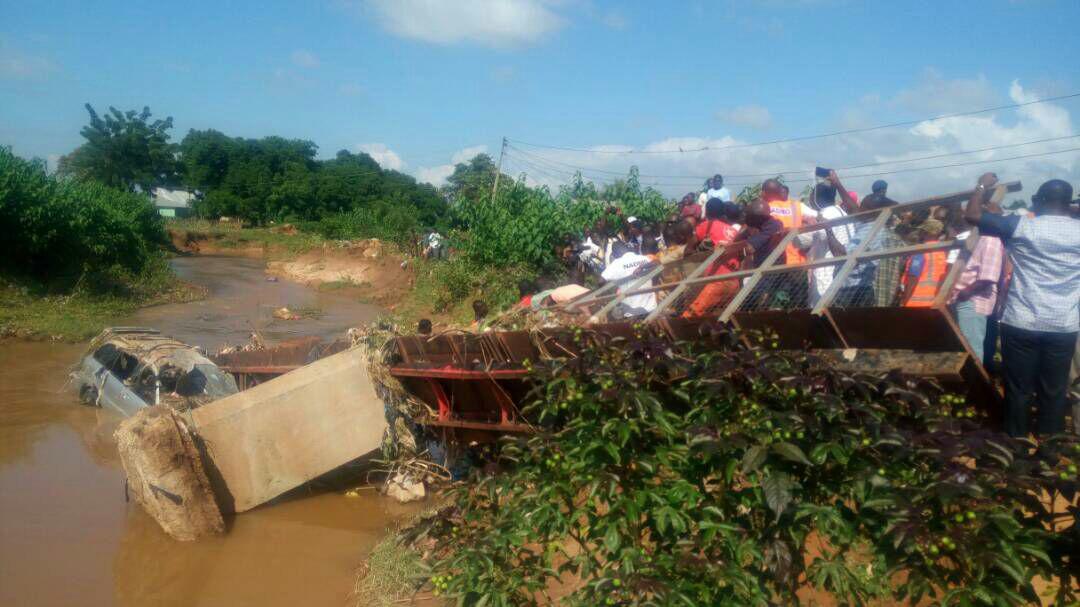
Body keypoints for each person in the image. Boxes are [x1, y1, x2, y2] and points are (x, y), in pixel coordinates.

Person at [966, 174, 1080, 437]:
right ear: (1067, 202)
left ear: (1039, 201)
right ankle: (1049, 446)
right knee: (1054, 389)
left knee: (1019, 389)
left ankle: (1016, 444)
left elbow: (971, 216)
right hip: (1063, 325)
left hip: (1021, 322)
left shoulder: (1021, 226)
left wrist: (982, 186)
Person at [946, 196, 1006, 365]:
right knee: (965, 346)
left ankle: (975, 386)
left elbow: (988, 277)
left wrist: (965, 293)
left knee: (971, 348)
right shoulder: (979, 238)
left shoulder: (990, 240)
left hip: (972, 301)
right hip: (967, 300)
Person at [796, 171, 858, 306]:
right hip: (843, 273)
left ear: (817, 198)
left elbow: (802, 241)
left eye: (812, 197)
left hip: (827, 273)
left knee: (821, 313)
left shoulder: (825, 214)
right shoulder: (842, 213)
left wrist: (794, 231)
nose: (811, 200)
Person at [762, 178, 819, 265]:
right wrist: (806, 220)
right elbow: (819, 216)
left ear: (764, 193)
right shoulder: (796, 205)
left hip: (775, 262)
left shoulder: (763, 208)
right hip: (798, 261)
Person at [600, 240, 657, 318]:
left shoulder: (616, 264)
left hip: (633, 313)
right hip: (652, 307)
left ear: (614, 255)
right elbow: (657, 265)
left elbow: (600, 281)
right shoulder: (644, 258)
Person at [900, 218, 947, 307]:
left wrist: (905, 300)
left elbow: (913, 276)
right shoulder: (943, 252)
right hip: (932, 300)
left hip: (914, 301)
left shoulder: (921, 250)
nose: (919, 233)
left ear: (926, 233)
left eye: (921, 230)